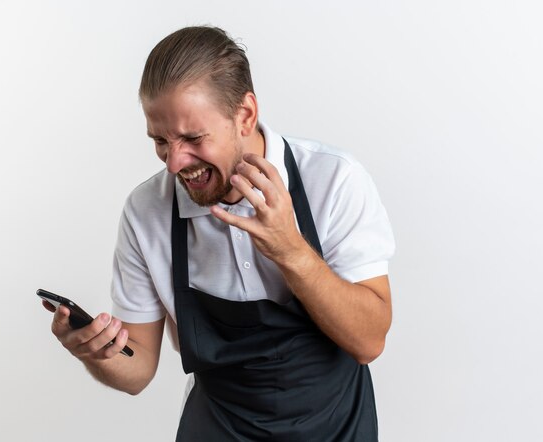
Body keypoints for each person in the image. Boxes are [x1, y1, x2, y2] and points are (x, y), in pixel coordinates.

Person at [44, 26, 395, 441]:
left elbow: (368, 341)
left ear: (245, 115)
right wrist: (95, 353)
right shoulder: (147, 211)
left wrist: (290, 250)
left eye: (193, 138)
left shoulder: (333, 180)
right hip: (219, 428)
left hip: (336, 428)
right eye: (160, 140)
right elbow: (137, 371)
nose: (175, 163)